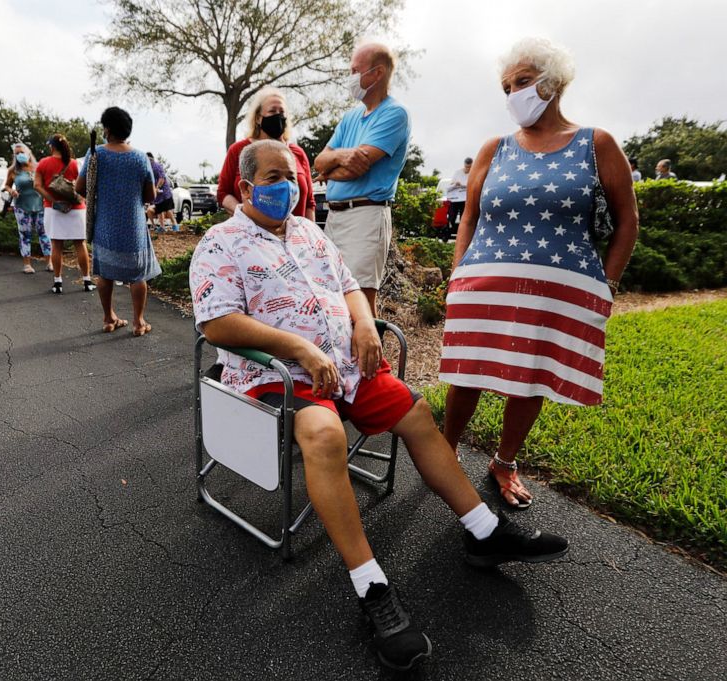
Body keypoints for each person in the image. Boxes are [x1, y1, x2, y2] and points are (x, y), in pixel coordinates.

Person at [190, 140, 569, 672]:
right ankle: (371, 588)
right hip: (275, 372)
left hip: (345, 366)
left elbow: (347, 288)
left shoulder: (308, 231)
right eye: (275, 177)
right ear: (248, 187)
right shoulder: (221, 242)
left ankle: (484, 531)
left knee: (415, 412)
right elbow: (217, 322)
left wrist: (365, 324)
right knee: (324, 436)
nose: (289, 185)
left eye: (294, 176)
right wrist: (299, 347)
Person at [439, 37, 639, 508]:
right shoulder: (495, 148)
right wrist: (456, 275)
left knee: (532, 375)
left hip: (559, 291)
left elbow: (627, 220)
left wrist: (606, 284)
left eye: (523, 82)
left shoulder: (597, 143)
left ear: (553, 83)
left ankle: (503, 462)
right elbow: (469, 217)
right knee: (467, 371)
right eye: (506, 86)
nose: (513, 94)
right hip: (482, 283)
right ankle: (443, 454)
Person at [314, 43, 411, 316]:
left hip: (366, 215)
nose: (350, 76)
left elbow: (355, 170)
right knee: (333, 295)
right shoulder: (350, 117)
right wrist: (343, 157)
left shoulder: (395, 114)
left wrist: (332, 167)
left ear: (377, 73)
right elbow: (319, 162)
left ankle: (371, 359)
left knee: (360, 301)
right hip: (335, 217)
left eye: (355, 70)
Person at [76, 107, 160, 336]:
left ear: (108, 129)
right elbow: (151, 196)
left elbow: (80, 187)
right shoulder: (140, 157)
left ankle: (108, 318)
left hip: (105, 223)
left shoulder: (96, 154)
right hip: (133, 225)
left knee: (104, 273)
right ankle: (138, 322)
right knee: (137, 276)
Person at [217, 88, 316, 222]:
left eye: (282, 112)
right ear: (258, 118)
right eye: (272, 111)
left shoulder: (298, 153)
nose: (278, 116)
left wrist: (309, 234)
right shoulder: (238, 150)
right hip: (249, 235)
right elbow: (223, 193)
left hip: (294, 237)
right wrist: (245, 217)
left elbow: (309, 203)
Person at [35, 133, 93, 291]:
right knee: (80, 244)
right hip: (76, 208)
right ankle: (87, 280)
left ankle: (58, 282)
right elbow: (83, 186)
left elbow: (37, 185)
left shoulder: (43, 163)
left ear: (52, 146)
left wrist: (53, 200)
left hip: (54, 209)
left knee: (56, 245)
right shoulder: (75, 164)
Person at [3, 142, 51, 274]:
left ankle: (49, 262)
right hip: (22, 207)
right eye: (16, 153)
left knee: (45, 234)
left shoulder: (38, 167)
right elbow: (6, 185)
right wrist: (10, 191)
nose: (19, 155)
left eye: (21, 152)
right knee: (25, 235)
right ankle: (27, 264)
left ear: (28, 153)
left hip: (40, 205)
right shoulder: (13, 170)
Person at [146, 152, 175, 230]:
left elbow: (161, 178)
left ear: (151, 159)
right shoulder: (148, 167)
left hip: (164, 193)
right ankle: (162, 227)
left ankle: (175, 225)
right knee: (159, 210)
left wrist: (157, 187)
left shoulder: (157, 166)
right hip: (157, 194)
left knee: (168, 210)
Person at [445, 157, 472, 238]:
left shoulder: (473, 173)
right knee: (452, 217)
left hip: (465, 199)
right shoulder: (457, 173)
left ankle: (462, 236)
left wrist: (464, 185)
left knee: (463, 218)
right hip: (455, 199)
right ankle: (447, 234)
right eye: (466, 167)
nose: (467, 169)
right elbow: (450, 186)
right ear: (464, 165)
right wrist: (455, 184)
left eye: (469, 167)